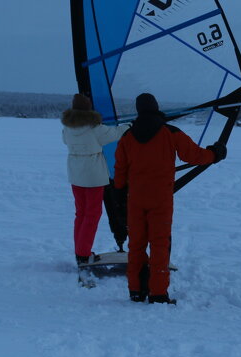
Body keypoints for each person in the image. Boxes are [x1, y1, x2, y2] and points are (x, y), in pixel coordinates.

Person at [113, 93, 225, 304]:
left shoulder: (127, 137)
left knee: (136, 245)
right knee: (159, 245)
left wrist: (118, 194)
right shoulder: (170, 132)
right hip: (160, 200)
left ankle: (135, 291)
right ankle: (158, 293)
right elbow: (195, 156)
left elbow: (119, 170)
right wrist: (215, 154)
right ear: (156, 107)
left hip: (135, 199)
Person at [62, 93, 130, 269]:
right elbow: (115, 133)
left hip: (75, 175)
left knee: (81, 214)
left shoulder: (67, 128)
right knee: (92, 215)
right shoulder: (95, 128)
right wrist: (130, 126)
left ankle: (80, 252)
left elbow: (65, 141)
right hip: (93, 177)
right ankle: (84, 255)